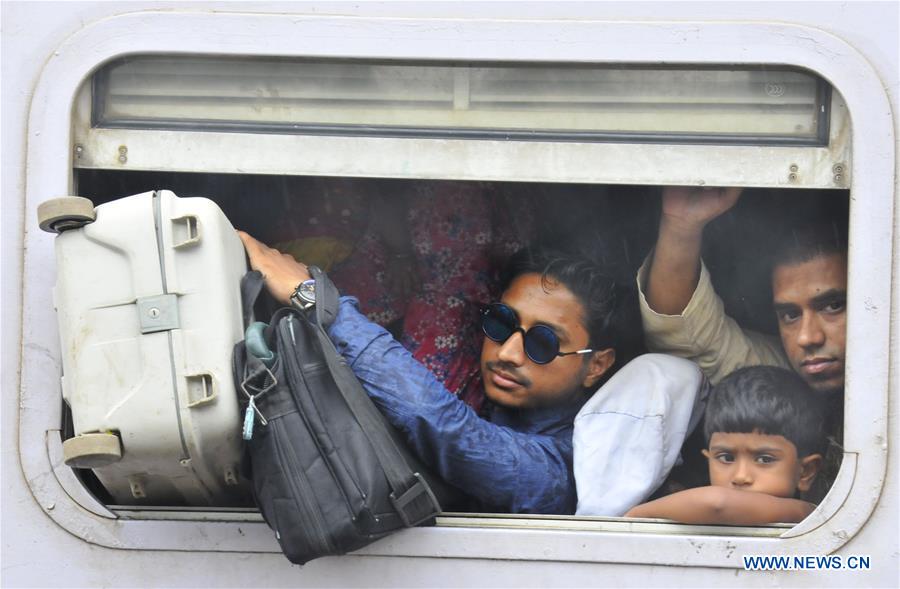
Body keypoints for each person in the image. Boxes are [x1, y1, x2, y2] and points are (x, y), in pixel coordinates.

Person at [238, 232, 704, 514]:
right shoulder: (468, 386)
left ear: (595, 365)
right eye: (502, 324)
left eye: (544, 343)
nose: (509, 353)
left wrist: (316, 301)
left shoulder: (565, 467)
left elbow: (448, 431)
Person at [638, 186, 847, 501]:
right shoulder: (779, 375)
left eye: (833, 306)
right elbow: (689, 335)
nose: (808, 337)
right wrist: (681, 226)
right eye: (790, 314)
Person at [625, 366, 825, 525]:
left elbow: (717, 503)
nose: (740, 477)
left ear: (805, 472)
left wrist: (636, 514)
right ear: (708, 460)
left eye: (764, 459)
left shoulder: (805, 513)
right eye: (726, 458)